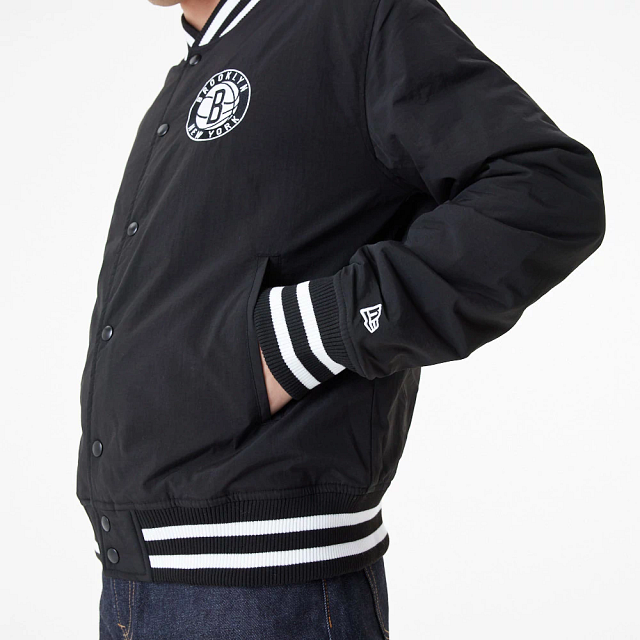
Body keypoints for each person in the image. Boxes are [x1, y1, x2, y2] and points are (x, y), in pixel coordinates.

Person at [79, 0, 605, 637]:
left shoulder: (353, 16)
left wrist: (314, 330)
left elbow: (549, 191)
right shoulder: (197, 69)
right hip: (135, 581)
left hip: (261, 590)